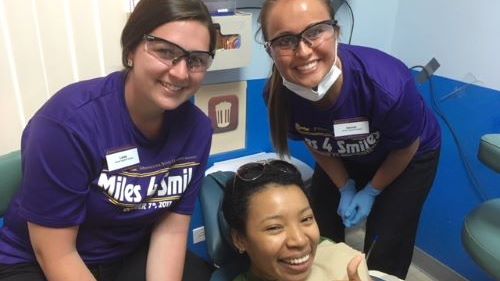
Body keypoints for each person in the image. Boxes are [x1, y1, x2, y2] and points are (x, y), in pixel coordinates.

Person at [0, 0, 217, 280]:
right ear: (131, 50)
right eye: (166, 52)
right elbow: (55, 253)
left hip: (123, 255)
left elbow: (170, 230)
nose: (180, 73)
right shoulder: (68, 124)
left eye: (196, 60)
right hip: (35, 262)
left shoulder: (196, 130)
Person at [258, 0, 441, 279]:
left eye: (315, 31)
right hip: (341, 151)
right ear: (270, 50)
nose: (303, 50)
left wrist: (371, 191)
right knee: (319, 227)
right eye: (285, 40)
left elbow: (406, 147)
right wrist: (344, 186)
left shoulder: (386, 84)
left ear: (336, 32)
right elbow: (314, 141)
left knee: (386, 240)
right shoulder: (279, 97)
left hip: (408, 155)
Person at [222, 160, 372, 281]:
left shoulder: (342, 261)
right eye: (274, 227)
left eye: (306, 219)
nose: (300, 240)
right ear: (239, 239)